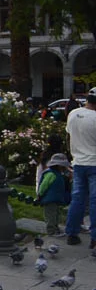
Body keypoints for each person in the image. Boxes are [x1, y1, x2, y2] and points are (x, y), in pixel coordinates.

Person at [65, 94, 96, 247]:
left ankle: (71, 233)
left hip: (78, 162)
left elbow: (69, 135)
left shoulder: (73, 114)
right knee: (94, 201)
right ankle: (94, 238)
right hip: (94, 163)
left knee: (77, 199)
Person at [36, 153, 72, 236]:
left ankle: (56, 229)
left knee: (55, 215)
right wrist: (40, 194)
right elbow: (44, 186)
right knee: (51, 216)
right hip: (49, 199)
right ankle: (51, 231)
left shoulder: (57, 174)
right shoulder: (51, 174)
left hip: (55, 199)